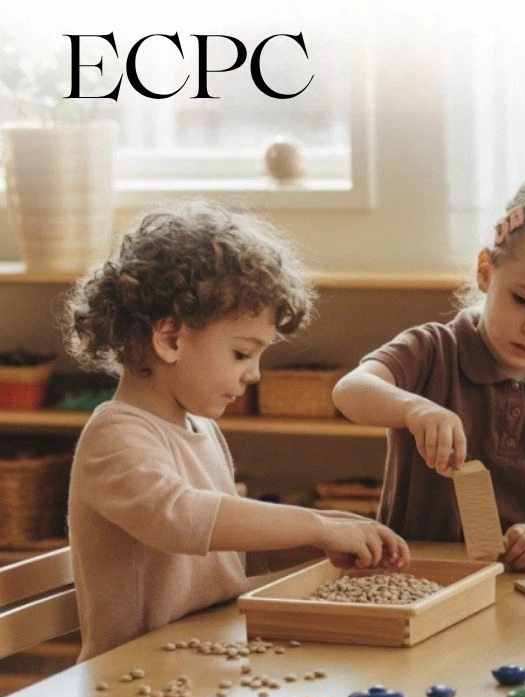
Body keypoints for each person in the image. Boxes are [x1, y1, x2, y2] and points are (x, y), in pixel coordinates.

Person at [63, 201, 409, 660]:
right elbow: (179, 518)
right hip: (135, 677)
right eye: (242, 353)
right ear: (169, 338)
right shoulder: (116, 437)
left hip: (207, 659)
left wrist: (320, 539)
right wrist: (314, 523)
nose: (255, 375)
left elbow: (227, 555)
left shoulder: (202, 430)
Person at [334, 179, 525, 571]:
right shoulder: (433, 350)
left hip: (521, 581)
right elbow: (350, 390)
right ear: (487, 272)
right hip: (417, 572)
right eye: (523, 300)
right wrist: (414, 409)